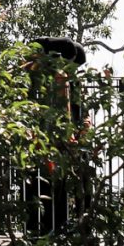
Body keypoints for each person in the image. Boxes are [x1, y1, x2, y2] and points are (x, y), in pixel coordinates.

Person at [25, 36, 88, 235]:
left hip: (49, 135)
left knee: (53, 181)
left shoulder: (59, 77)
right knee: (45, 180)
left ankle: (51, 225)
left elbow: (71, 107)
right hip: (44, 134)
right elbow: (65, 107)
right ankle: (44, 225)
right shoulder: (46, 73)